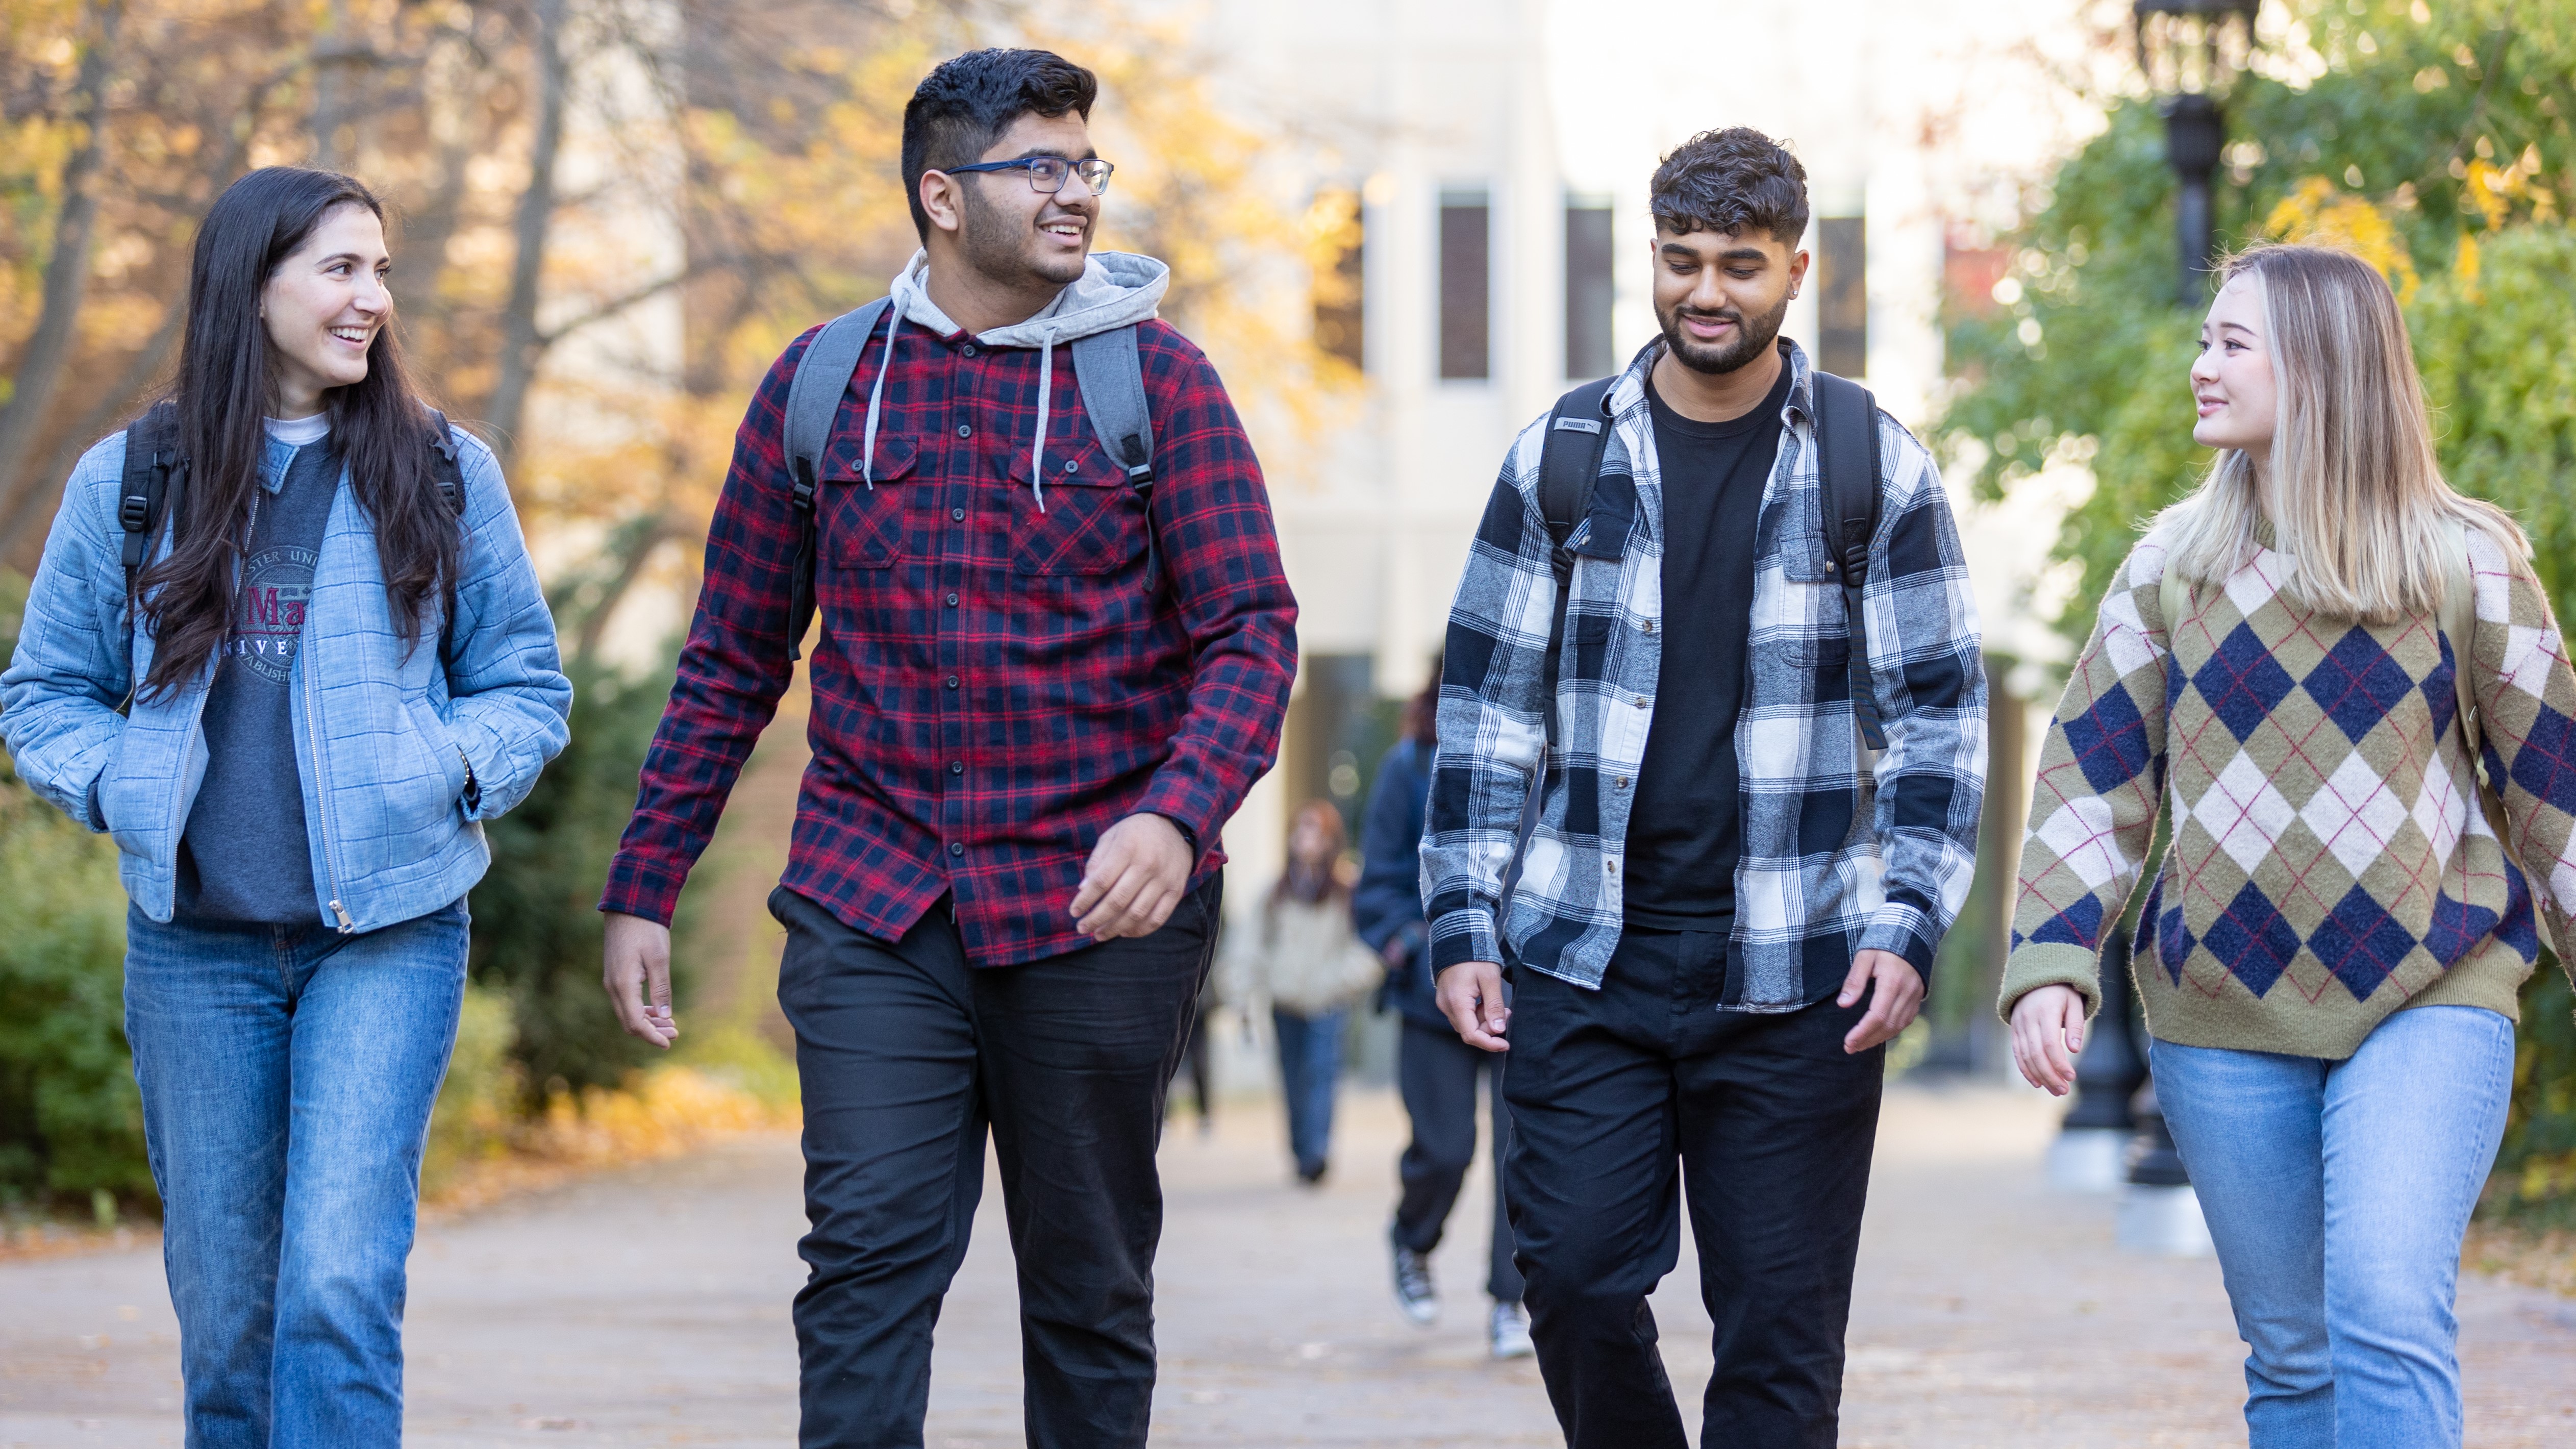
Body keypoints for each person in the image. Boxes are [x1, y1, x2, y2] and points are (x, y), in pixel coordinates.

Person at [594, 48, 1297, 1449]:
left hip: (1096, 909)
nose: (1076, 192)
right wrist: (644, 880)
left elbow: (1252, 632)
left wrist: (1175, 815)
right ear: (938, 194)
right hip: (877, 899)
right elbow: (735, 655)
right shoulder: (822, 386)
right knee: (861, 1266)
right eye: (1039, 166)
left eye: (1085, 164)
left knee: (1088, 1291)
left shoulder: (1158, 384)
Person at [1420, 128, 1987, 1447]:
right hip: (1580, 960)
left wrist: (1906, 924)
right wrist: (1463, 924)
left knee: (1782, 1339)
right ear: (1652, 262)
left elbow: (1939, 727)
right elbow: (1486, 717)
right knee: (1571, 1280)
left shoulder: (1871, 463)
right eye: (1682, 263)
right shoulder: (1558, 457)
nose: (1707, 294)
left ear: (1798, 268)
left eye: (1740, 266)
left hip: (1799, 978)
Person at [0, 166, 571, 1446]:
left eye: (381, 269)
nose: (373, 298)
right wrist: (126, 787)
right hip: (195, 948)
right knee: (225, 1325)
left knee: (335, 1285)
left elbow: (525, 684)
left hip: (390, 933)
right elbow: (44, 694)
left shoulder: (439, 468)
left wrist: (441, 767)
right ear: (249, 288)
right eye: (339, 269)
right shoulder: (133, 476)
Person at [2003, 242, 2576, 1448]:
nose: (2199, 365)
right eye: (2204, 338)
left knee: (2382, 1302)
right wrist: (2050, 956)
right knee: (2293, 1353)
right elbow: (2091, 770)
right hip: (2225, 1011)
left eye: (2229, 343)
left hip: (2433, 986)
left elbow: (2553, 791)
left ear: (2319, 366)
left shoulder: (2466, 562)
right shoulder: (2173, 567)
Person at [1354, 661, 1534, 1358]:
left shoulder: (1549, 763)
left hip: (1522, 997)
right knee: (1445, 1148)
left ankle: (1508, 1304)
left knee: (1522, 1154)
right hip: (1433, 998)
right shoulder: (1411, 767)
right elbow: (1378, 885)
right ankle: (1412, 1239)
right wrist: (1411, 944)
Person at [1217, 800, 1382, 1184]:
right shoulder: (1275, 892)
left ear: (1329, 840)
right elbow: (1249, 946)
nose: (1306, 838)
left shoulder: (1347, 891)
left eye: (1315, 830)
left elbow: (1368, 947)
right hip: (1286, 1002)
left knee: (1322, 1076)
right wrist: (1241, 990)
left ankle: (1317, 1152)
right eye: (1300, 829)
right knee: (1292, 1078)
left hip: (1328, 1003)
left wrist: (1339, 980)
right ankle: (1299, 1150)